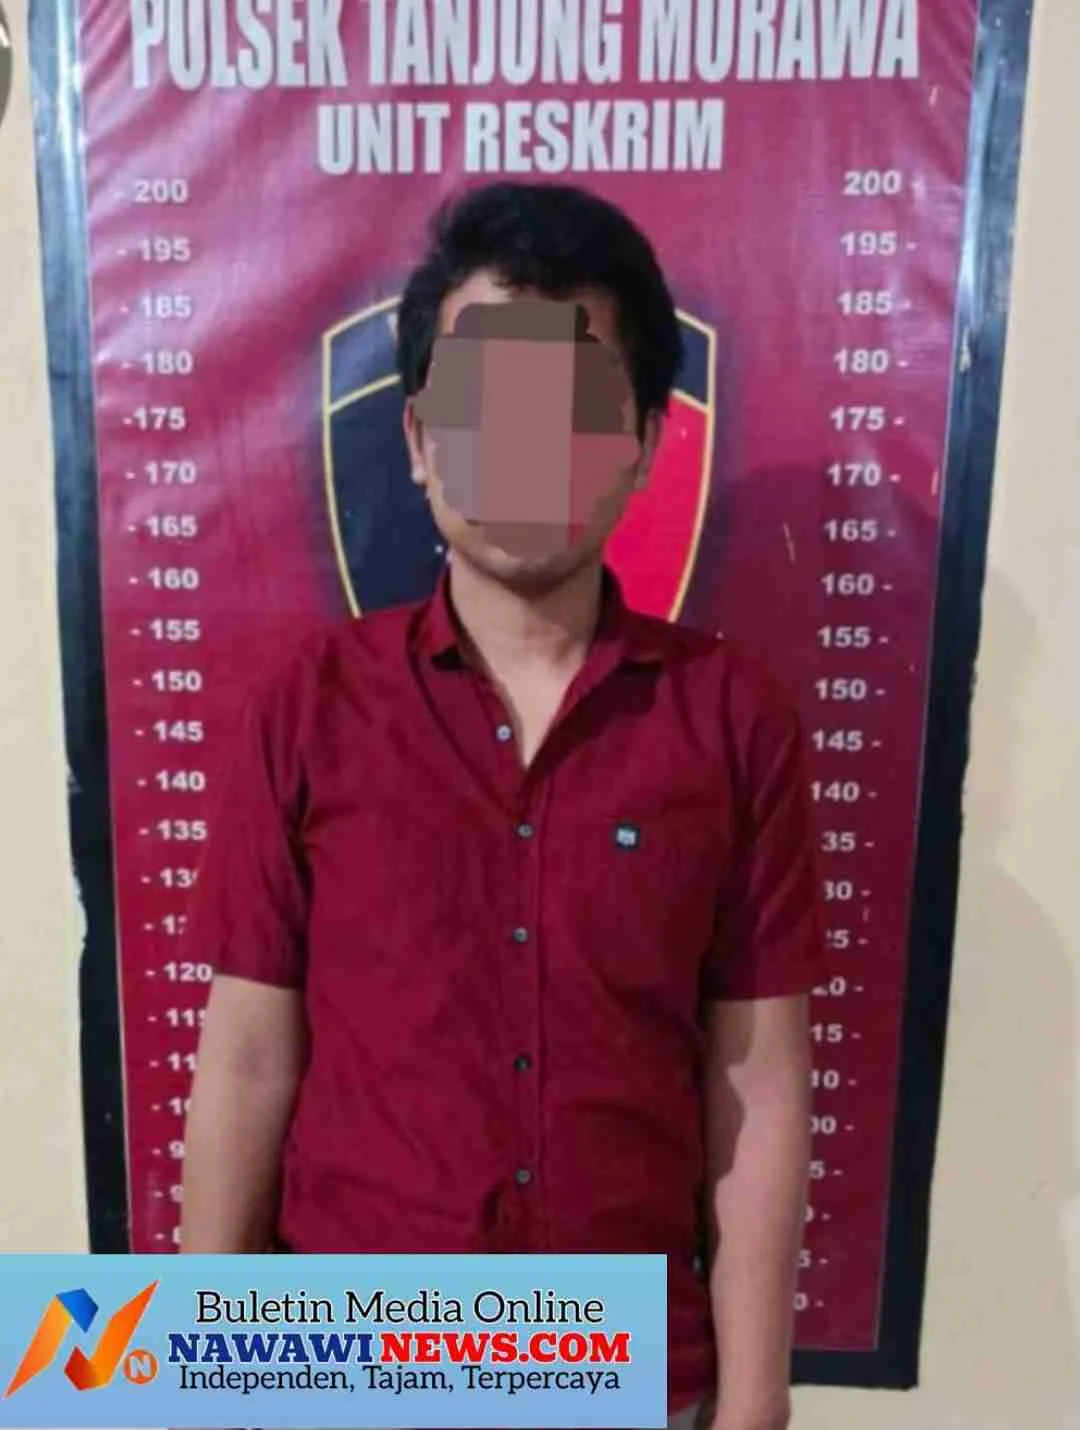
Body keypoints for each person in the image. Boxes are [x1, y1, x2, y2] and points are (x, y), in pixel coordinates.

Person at [180, 181, 825, 1430]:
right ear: (422, 439)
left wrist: (756, 1405)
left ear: (643, 440)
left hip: (632, 1375)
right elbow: (249, 1056)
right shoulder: (308, 707)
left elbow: (758, 1079)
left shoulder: (734, 721)